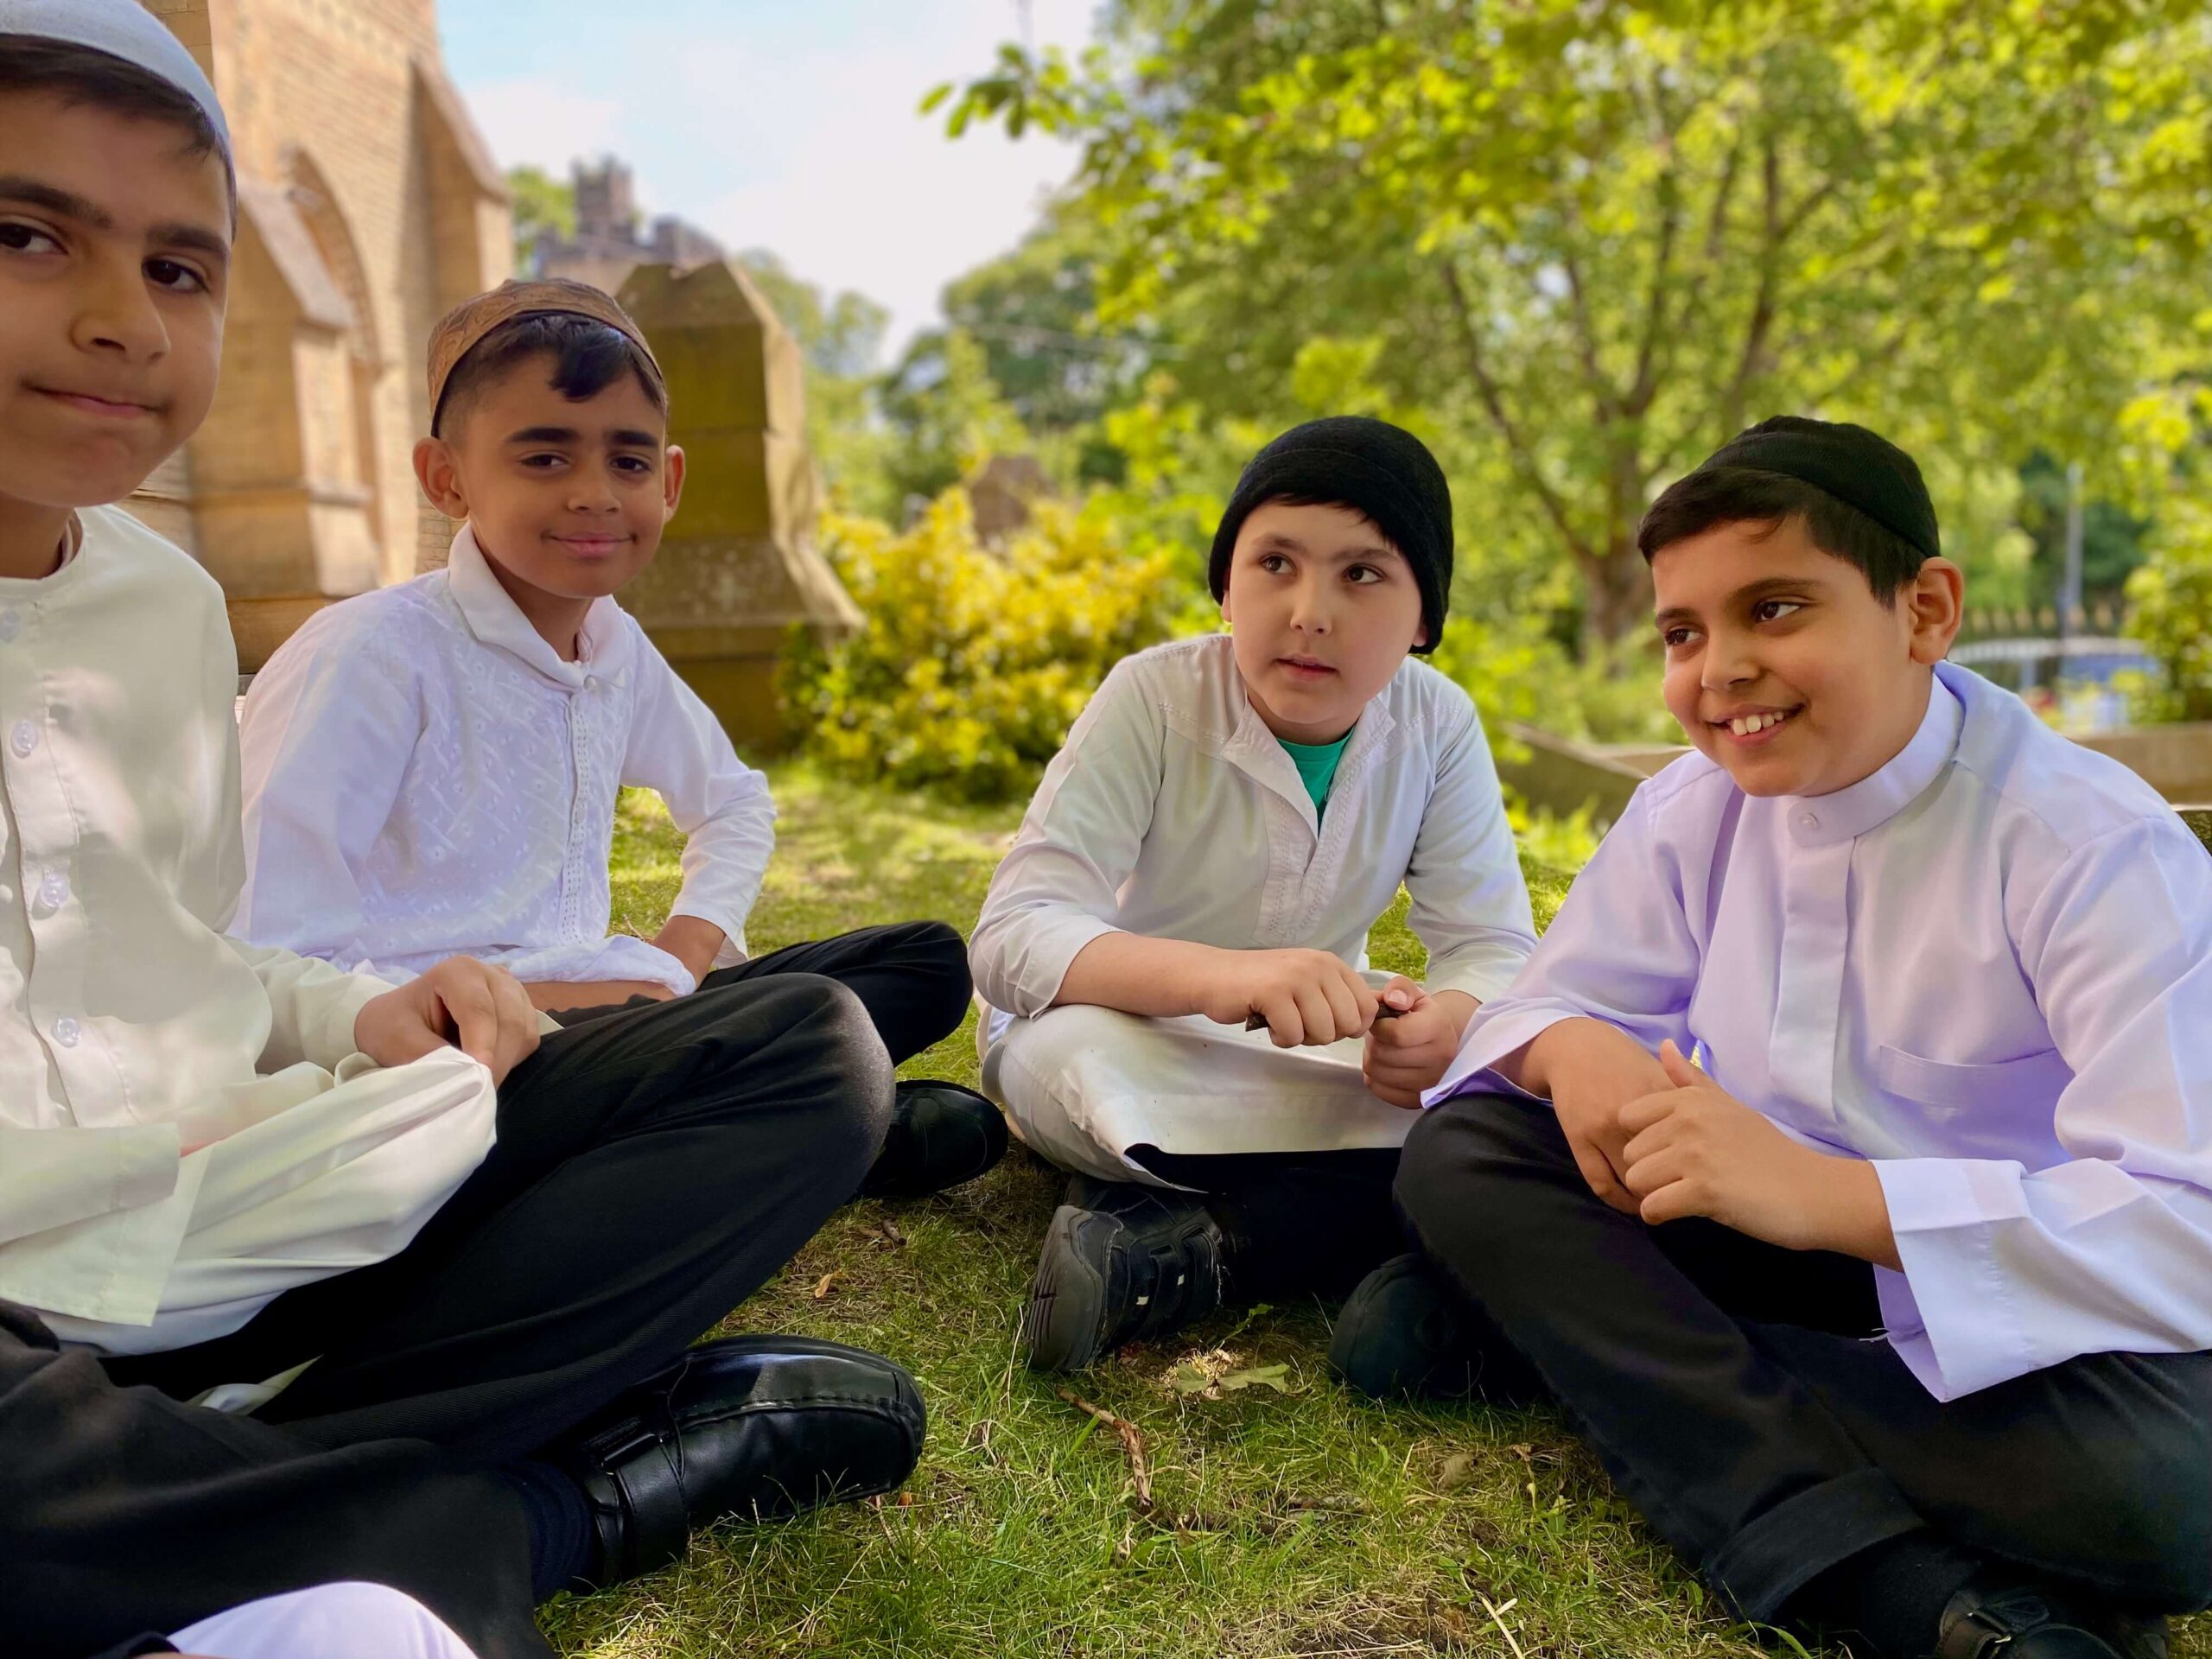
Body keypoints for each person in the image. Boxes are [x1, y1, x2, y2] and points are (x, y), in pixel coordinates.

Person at [0, 8, 922, 1653]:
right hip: (54, 1267)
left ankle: (221, 1479)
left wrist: (373, 1022)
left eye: (182, 271)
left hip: (269, 1188)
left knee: (829, 1039)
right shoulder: (370, 650)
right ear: (445, 475)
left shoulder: (165, 605)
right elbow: (294, 915)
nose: (116, 322)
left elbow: (215, 953)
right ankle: (547, 1503)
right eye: (26, 234)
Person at [1338, 416, 2212, 1659]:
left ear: (1926, 610)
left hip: (2004, 1313)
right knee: (1468, 1147)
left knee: (2181, 1490)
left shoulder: (2091, 850)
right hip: (1730, 1239)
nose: (1722, 669)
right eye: (1685, 634)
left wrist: (1837, 1199)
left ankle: (1595, 1353)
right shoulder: (1690, 805)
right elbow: (1548, 1003)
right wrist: (1563, 1048)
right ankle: (1891, 1587)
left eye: (1778, 609)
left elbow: (2189, 1228)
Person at [233, 278, 1001, 1199]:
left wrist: (679, 957)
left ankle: (772, 1109)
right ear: (447, 478)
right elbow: (268, 957)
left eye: (628, 463)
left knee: (922, 961)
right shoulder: (370, 654)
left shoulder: (614, 648)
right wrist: (561, 1007)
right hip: (453, 1055)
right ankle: (816, 1123)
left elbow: (733, 800)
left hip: (614, 1003)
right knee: (810, 1025)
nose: (595, 495)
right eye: (545, 458)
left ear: (668, 482)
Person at [969, 416, 1536, 1371]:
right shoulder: (1150, 698)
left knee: (1487, 1101)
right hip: (1123, 1037)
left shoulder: (1438, 724)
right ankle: (1327, 1215)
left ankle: (1171, 1242)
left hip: (1311, 1052)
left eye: (1362, 574)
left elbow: (1494, 947)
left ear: (1424, 619)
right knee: (1077, 1063)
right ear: (1224, 585)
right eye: (1275, 562)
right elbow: (1012, 938)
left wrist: (1448, 1020)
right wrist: (1221, 979)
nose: (1309, 611)